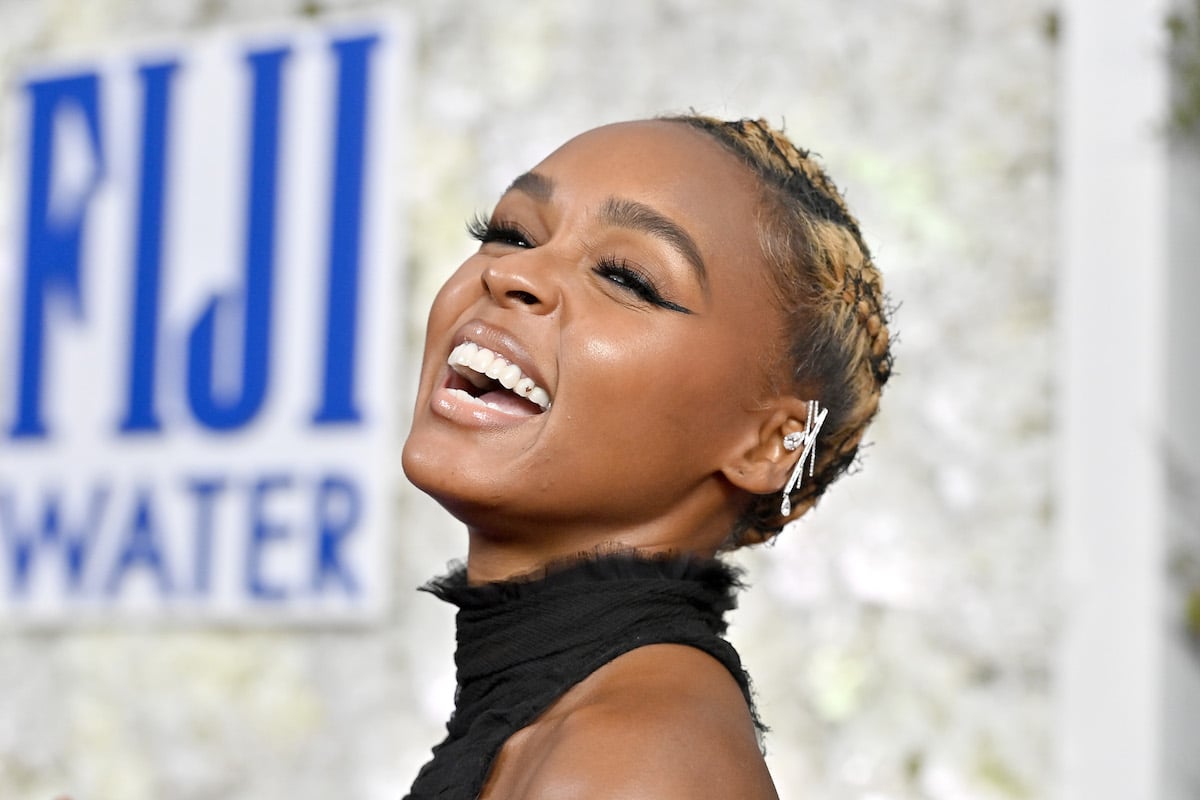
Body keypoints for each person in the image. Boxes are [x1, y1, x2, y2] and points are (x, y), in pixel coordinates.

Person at [401, 114, 893, 799]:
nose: (515, 273)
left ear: (765, 444)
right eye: (510, 232)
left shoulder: (632, 758)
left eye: (627, 277)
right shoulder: (587, 727)